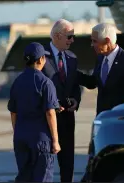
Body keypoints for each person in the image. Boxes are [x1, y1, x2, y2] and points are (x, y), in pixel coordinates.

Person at [8, 42, 61, 182]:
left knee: (24, 176)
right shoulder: (46, 83)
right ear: (40, 60)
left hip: (21, 138)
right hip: (41, 140)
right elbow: (50, 113)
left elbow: (13, 113)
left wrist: (18, 132)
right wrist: (55, 141)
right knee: (42, 177)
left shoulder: (17, 82)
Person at [42, 19, 82, 182]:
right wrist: (52, 104)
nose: (72, 40)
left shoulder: (72, 58)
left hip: (67, 119)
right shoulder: (41, 56)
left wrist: (75, 100)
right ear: (58, 36)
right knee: (45, 166)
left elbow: (74, 85)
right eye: (70, 36)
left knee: (68, 165)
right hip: (45, 121)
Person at [77, 23, 124, 115]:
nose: (92, 44)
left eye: (95, 41)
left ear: (107, 41)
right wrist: (71, 72)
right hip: (103, 116)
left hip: (120, 118)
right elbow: (94, 82)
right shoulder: (100, 58)